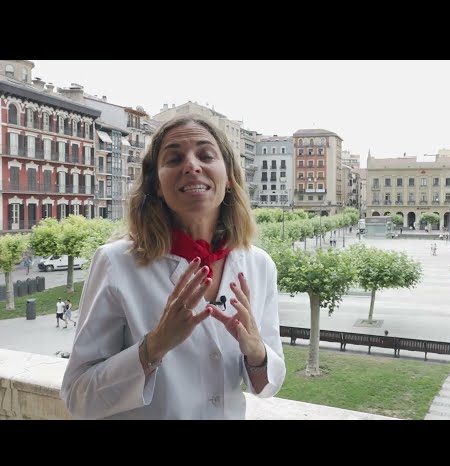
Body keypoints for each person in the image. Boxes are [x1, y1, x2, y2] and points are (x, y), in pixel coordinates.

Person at [60, 114, 286, 420]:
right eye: (174, 158)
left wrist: (257, 353)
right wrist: (154, 346)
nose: (192, 165)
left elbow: (266, 385)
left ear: (230, 177)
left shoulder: (259, 265)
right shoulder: (116, 263)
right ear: (156, 183)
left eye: (206, 155)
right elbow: (78, 396)